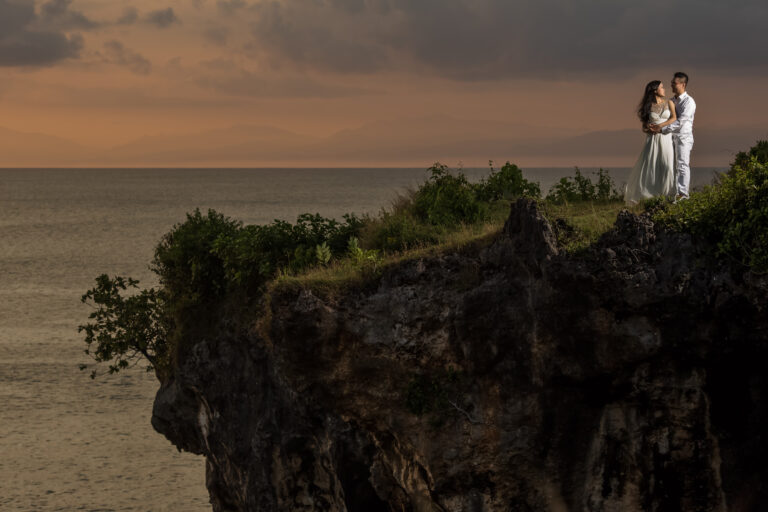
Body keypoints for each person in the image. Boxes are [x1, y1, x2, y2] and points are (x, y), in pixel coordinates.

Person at [624, 80, 677, 204]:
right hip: (652, 139)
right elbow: (644, 127)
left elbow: (674, 118)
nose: (664, 89)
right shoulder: (648, 107)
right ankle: (652, 194)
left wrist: (661, 126)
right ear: (655, 90)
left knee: (668, 166)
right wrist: (649, 129)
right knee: (651, 166)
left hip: (665, 137)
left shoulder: (669, 103)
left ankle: (668, 194)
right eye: (662, 87)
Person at [649, 72, 696, 200]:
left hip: (683, 138)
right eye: (671, 83)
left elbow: (680, 122)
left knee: (682, 165)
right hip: (670, 138)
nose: (671, 85)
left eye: (674, 83)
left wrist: (662, 129)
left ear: (683, 84)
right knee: (671, 166)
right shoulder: (671, 101)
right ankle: (673, 193)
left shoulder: (689, 102)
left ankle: (683, 194)